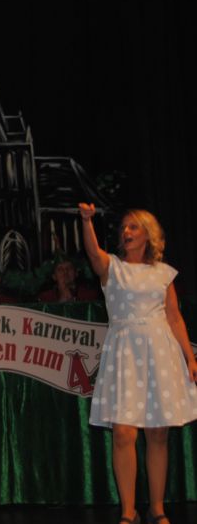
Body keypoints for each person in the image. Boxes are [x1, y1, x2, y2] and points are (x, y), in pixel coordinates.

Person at [80, 203, 197, 524]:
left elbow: (174, 317)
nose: (126, 232)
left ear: (148, 234)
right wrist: (87, 222)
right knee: (123, 433)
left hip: (160, 352)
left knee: (158, 433)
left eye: (133, 227)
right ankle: (128, 512)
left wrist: (189, 357)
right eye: (124, 228)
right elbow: (92, 254)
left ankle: (157, 509)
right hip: (125, 353)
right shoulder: (113, 267)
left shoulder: (163, 273)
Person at [37, 255, 101, 303]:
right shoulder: (45, 298)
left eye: (69, 268)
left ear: (76, 273)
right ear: (54, 276)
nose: (65, 272)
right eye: (60, 269)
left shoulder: (89, 295)